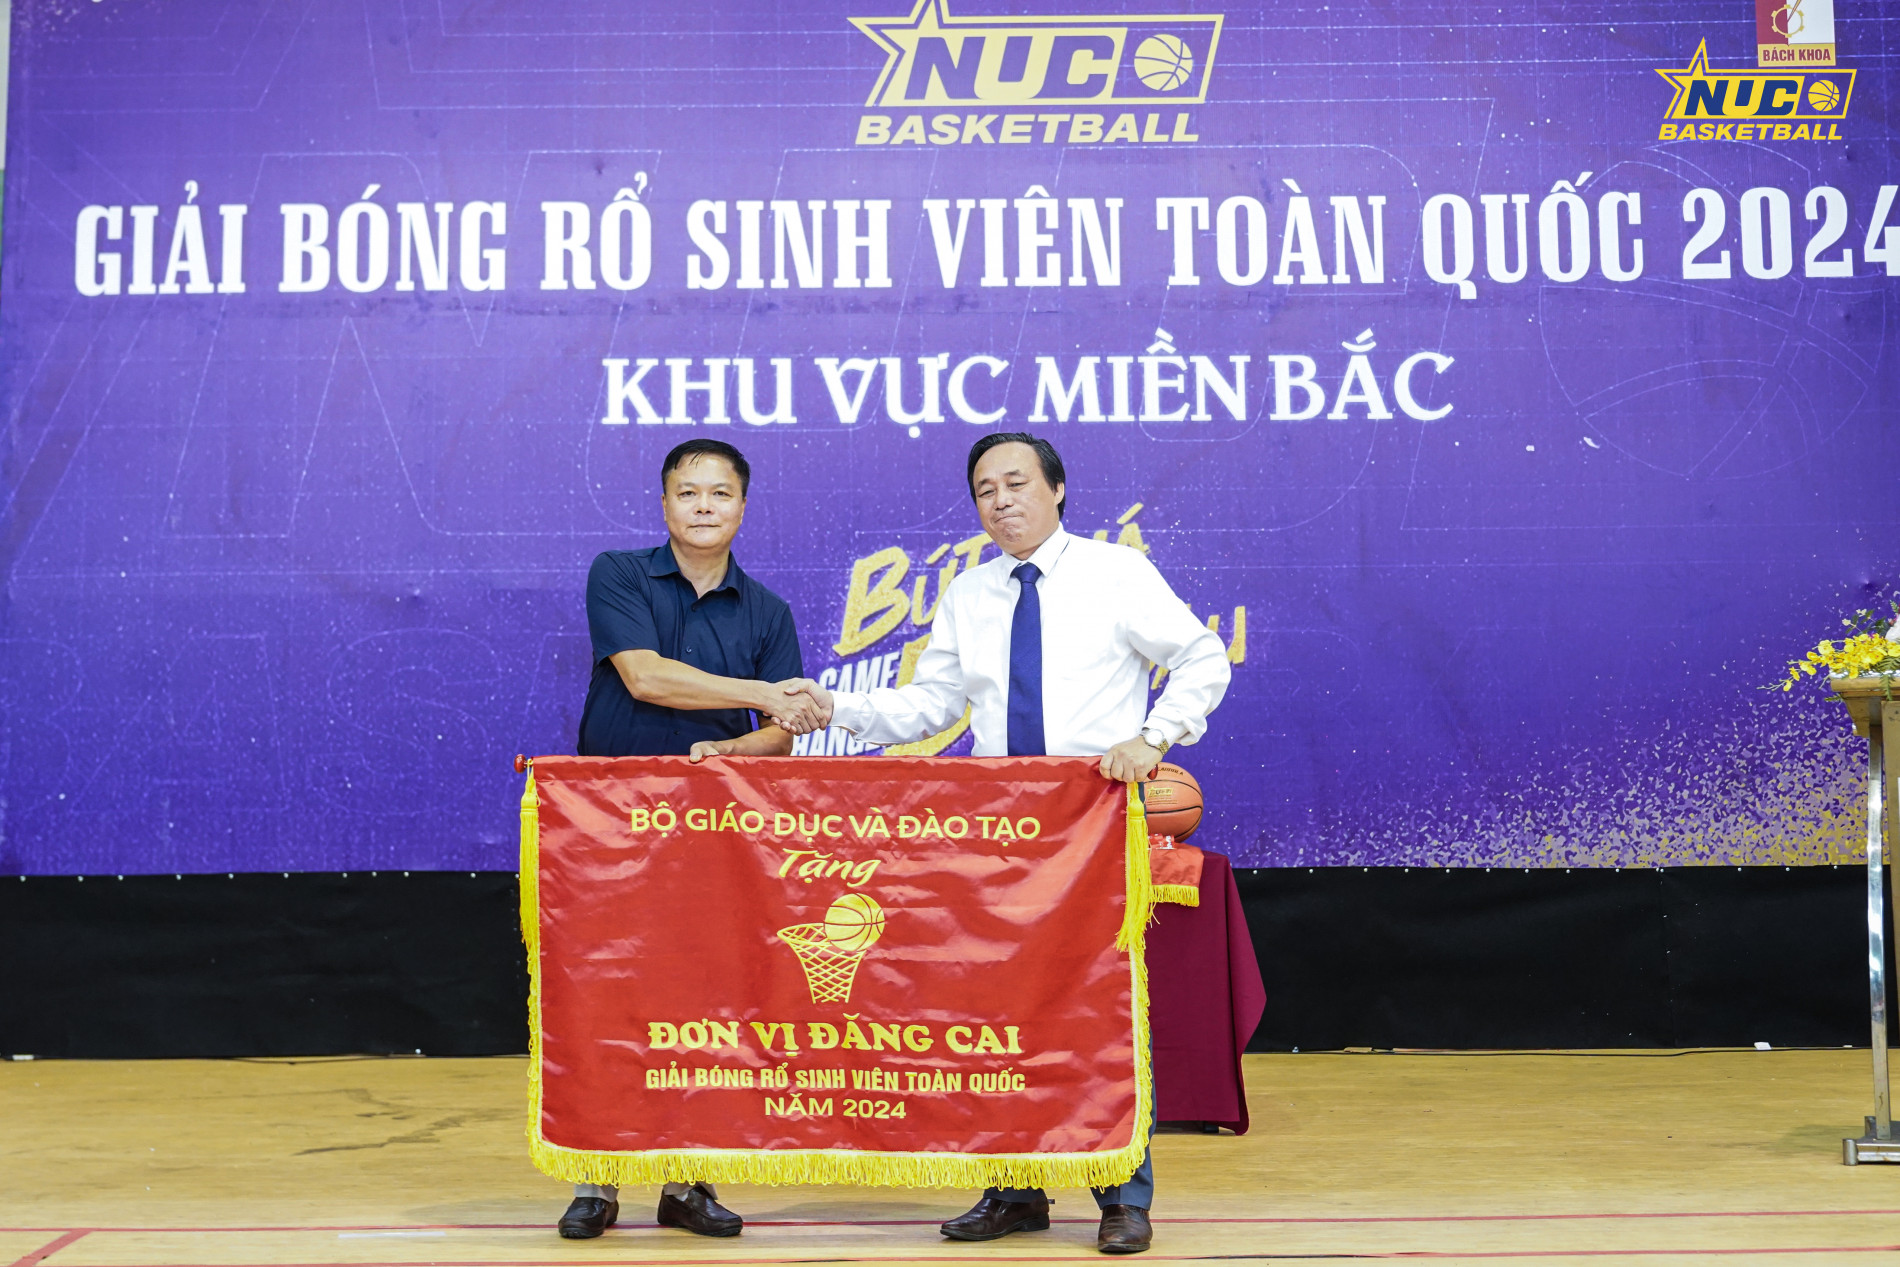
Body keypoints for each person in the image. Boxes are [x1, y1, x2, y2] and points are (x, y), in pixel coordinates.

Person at [787, 431, 1231, 1255]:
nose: (1002, 501)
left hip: (1092, 826)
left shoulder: (1116, 572)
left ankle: (1121, 1192)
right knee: (1000, 1007)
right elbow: (931, 704)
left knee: (1100, 1007)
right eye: (985, 490)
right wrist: (836, 706)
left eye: (1017, 483)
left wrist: (1154, 736)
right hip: (998, 833)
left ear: (1057, 488)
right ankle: (1014, 1188)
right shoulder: (970, 592)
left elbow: (1203, 657)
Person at [559, 437, 824, 1241]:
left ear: (743, 506)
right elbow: (644, 676)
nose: (704, 505)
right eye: (688, 492)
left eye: (720, 493)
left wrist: (734, 745)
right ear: (664, 503)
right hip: (612, 822)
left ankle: (688, 1177)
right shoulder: (619, 574)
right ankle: (596, 1177)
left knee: (706, 1001)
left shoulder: (768, 610)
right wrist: (760, 693)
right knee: (606, 993)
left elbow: (780, 737)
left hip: (715, 831)